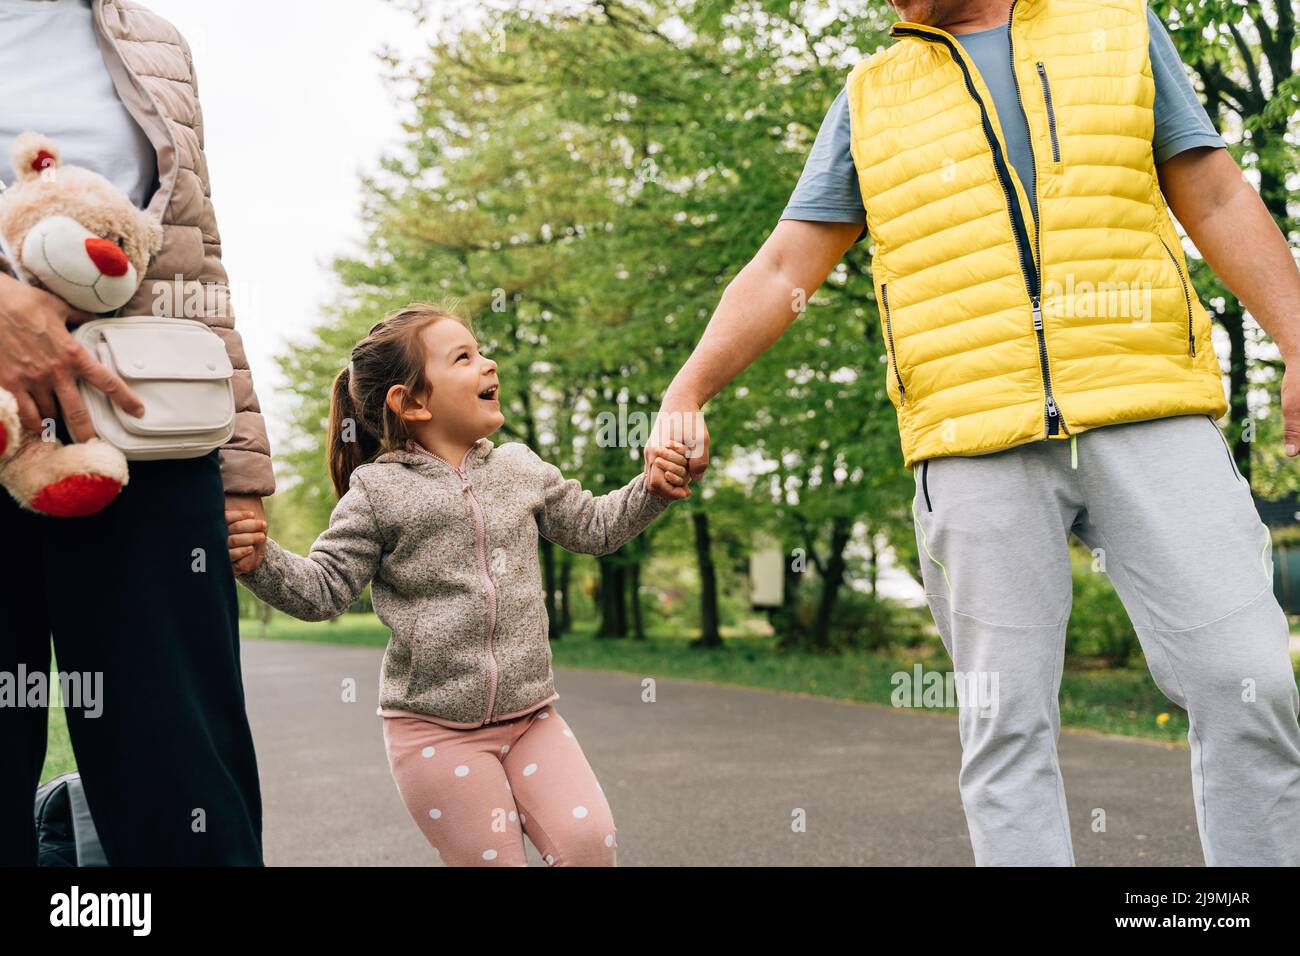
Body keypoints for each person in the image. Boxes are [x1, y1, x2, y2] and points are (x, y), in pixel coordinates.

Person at [644, 0, 1300, 866]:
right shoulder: (871, 96)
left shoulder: (1115, 25)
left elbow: (1214, 193)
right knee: (1005, 724)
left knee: (1245, 679)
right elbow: (783, 264)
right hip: (970, 442)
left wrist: (1295, 338)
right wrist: (690, 386)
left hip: (1149, 405)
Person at [228, 304, 687, 866]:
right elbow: (325, 589)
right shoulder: (377, 491)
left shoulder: (520, 468)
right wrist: (260, 560)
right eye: (464, 357)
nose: (488, 363)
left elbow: (593, 527)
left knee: (588, 843)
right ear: (412, 402)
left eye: (480, 349)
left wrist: (653, 488)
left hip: (532, 718)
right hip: (435, 735)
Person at [0, 0, 273, 865]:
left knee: (183, 776)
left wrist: (238, 470)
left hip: (146, 441)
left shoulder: (152, 41)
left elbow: (197, 251)